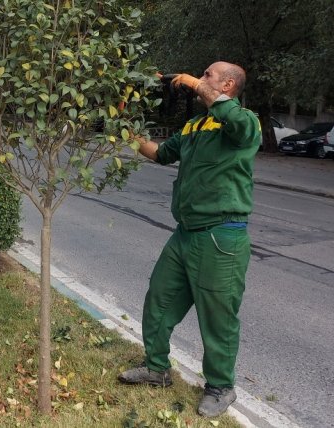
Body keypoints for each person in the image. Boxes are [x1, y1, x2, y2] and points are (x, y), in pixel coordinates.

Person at [118, 62, 261, 417]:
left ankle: (221, 387)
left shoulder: (245, 122)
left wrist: (198, 86)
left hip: (221, 237)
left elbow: (235, 121)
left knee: (218, 317)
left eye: (209, 75)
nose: (201, 78)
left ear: (228, 84)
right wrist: (128, 134)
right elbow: (162, 154)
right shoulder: (197, 125)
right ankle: (156, 368)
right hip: (185, 233)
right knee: (160, 299)